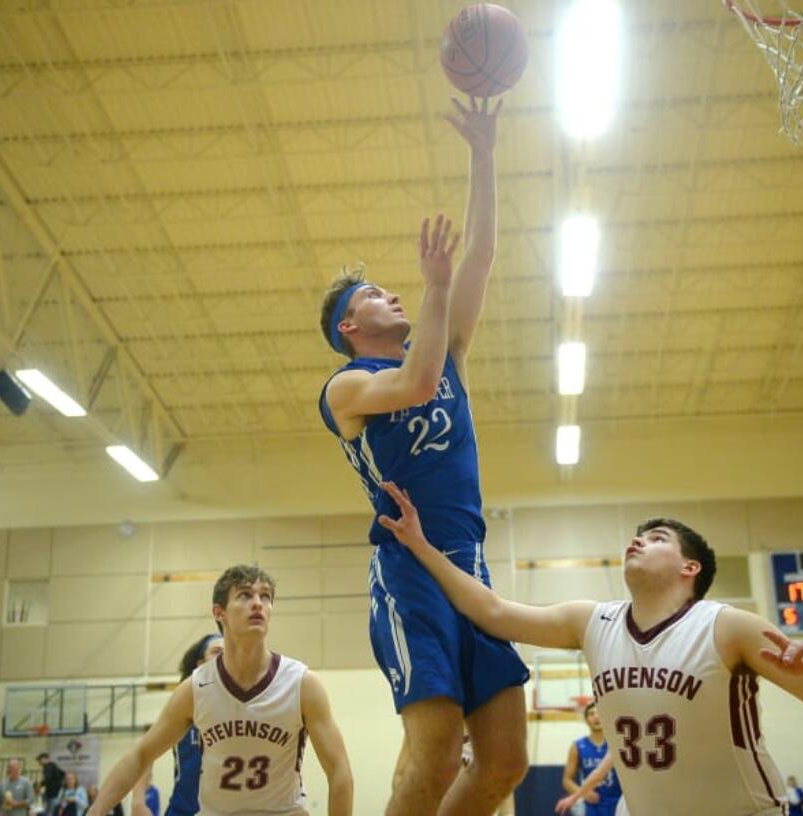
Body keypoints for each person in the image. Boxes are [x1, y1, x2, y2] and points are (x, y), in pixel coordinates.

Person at [374, 482, 803, 816]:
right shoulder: (592, 621)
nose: (638, 542)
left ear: (689, 568)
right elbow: (493, 613)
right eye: (637, 536)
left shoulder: (726, 626)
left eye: (656, 539)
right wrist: (420, 546)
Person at [318, 95, 528, 816]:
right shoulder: (347, 388)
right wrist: (435, 291)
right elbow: (417, 381)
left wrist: (484, 153)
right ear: (350, 325)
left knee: (504, 761)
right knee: (437, 752)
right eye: (374, 293)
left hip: (469, 560)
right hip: (408, 567)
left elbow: (483, 254)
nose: (395, 291)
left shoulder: (449, 348)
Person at [86, 565, 353, 816]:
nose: (258, 603)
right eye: (245, 595)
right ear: (219, 612)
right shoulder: (195, 688)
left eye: (266, 596)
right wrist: (97, 810)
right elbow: (141, 754)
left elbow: (339, 770)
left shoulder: (302, 683)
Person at [161, 634, 225, 816]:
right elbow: (145, 753)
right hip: (183, 810)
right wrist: (139, 799)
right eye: (216, 652)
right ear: (200, 663)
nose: (223, 657)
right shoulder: (184, 704)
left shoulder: (243, 706)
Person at [559, 702, 621, 816]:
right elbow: (566, 781)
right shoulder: (577, 746)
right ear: (586, 719)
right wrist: (583, 793)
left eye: (599, 713)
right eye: (592, 714)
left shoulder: (617, 743)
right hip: (591, 804)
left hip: (617, 801)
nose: (596, 717)